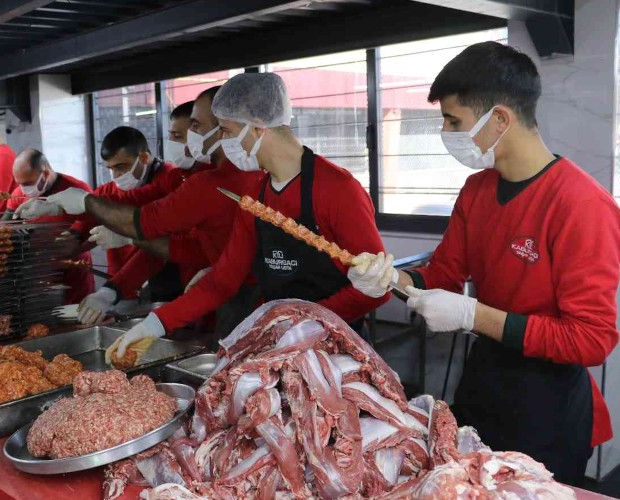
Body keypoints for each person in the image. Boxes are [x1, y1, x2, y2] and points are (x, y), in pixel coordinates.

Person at [347, 42, 620, 485]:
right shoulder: (477, 191)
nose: (446, 133)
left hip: (547, 402)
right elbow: (443, 275)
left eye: (454, 122)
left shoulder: (581, 204)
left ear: (500, 118)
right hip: (485, 381)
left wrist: (474, 314)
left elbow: (590, 339)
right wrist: (389, 279)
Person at [110, 72, 389, 358]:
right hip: (280, 344)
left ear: (257, 128)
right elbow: (223, 280)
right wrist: (156, 323)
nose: (221, 140)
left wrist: (305, 323)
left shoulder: (338, 189)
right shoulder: (256, 195)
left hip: (337, 347)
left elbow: (379, 287)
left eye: (227, 131)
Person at [53, 86, 264, 336]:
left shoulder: (218, 182)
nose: (180, 142)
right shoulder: (185, 178)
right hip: (205, 294)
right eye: (174, 135)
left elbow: (147, 222)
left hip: (236, 298)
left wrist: (90, 205)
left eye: (191, 130)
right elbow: (135, 205)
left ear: (226, 131)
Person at [19, 126, 187, 306]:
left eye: (121, 167)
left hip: (168, 280)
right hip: (121, 282)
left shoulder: (171, 179)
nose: (116, 175)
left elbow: (131, 201)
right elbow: (98, 211)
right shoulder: (112, 188)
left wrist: (71, 205)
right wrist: (74, 236)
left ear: (144, 158)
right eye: (110, 168)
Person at [4, 148, 95, 304]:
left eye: (27, 184)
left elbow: (95, 231)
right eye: (20, 184)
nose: (24, 190)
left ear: (45, 173)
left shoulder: (77, 190)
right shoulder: (18, 194)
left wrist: (71, 245)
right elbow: (5, 227)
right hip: (39, 275)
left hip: (74, 273)